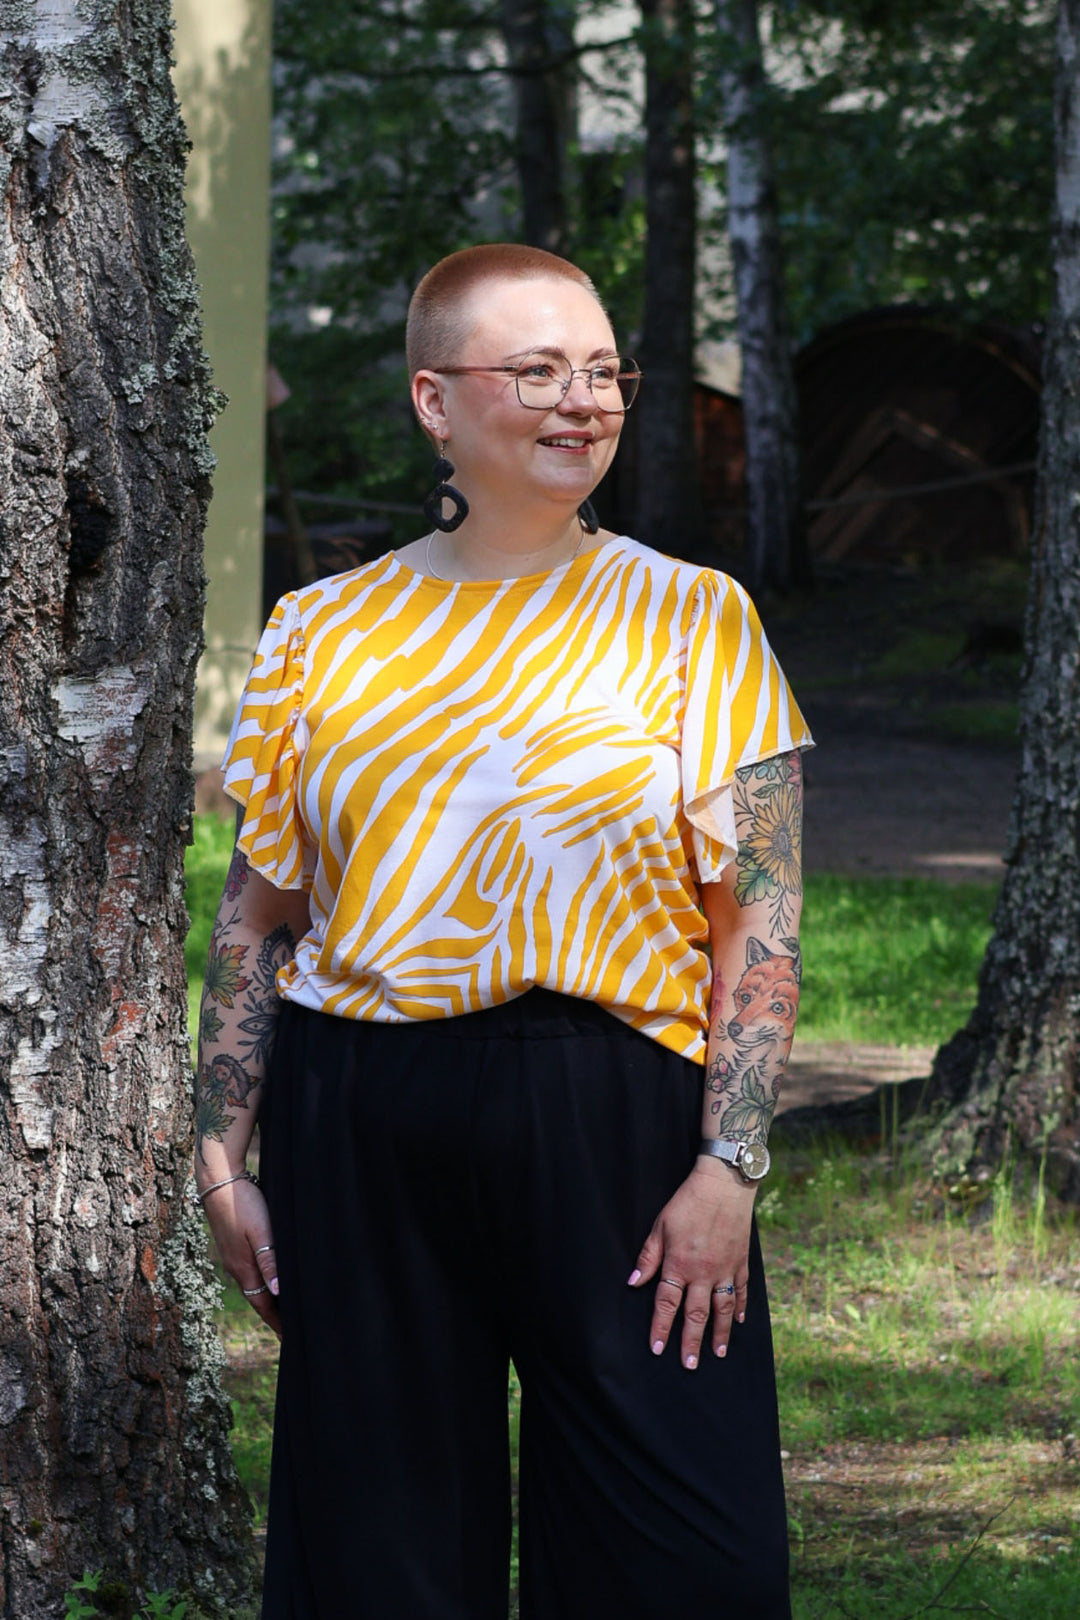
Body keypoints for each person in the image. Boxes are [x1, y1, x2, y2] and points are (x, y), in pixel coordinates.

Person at [194, 243, 812, 1620]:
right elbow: (259, 917)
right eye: (536, 370)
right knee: (379, 1561)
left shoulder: (698, 618)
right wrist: (220, 1159)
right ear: (435, 400)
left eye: (602, 371)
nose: (582, 400)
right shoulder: (316, 631)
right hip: (365, 1117)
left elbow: (761, 924)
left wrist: (731, 1166)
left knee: (687, 1557)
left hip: (618, 1119)